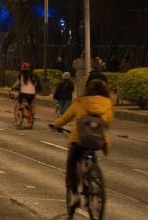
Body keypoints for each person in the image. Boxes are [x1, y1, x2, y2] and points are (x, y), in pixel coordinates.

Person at [51, 79, 113, 211]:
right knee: (92, 158)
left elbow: (66, 117)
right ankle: (94, 182)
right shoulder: (107, 103)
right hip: (98, 141)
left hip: (79, 140)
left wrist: (56, 125)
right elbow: (108, 121)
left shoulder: (80, 102)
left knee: (72, 162)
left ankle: (74, 195)